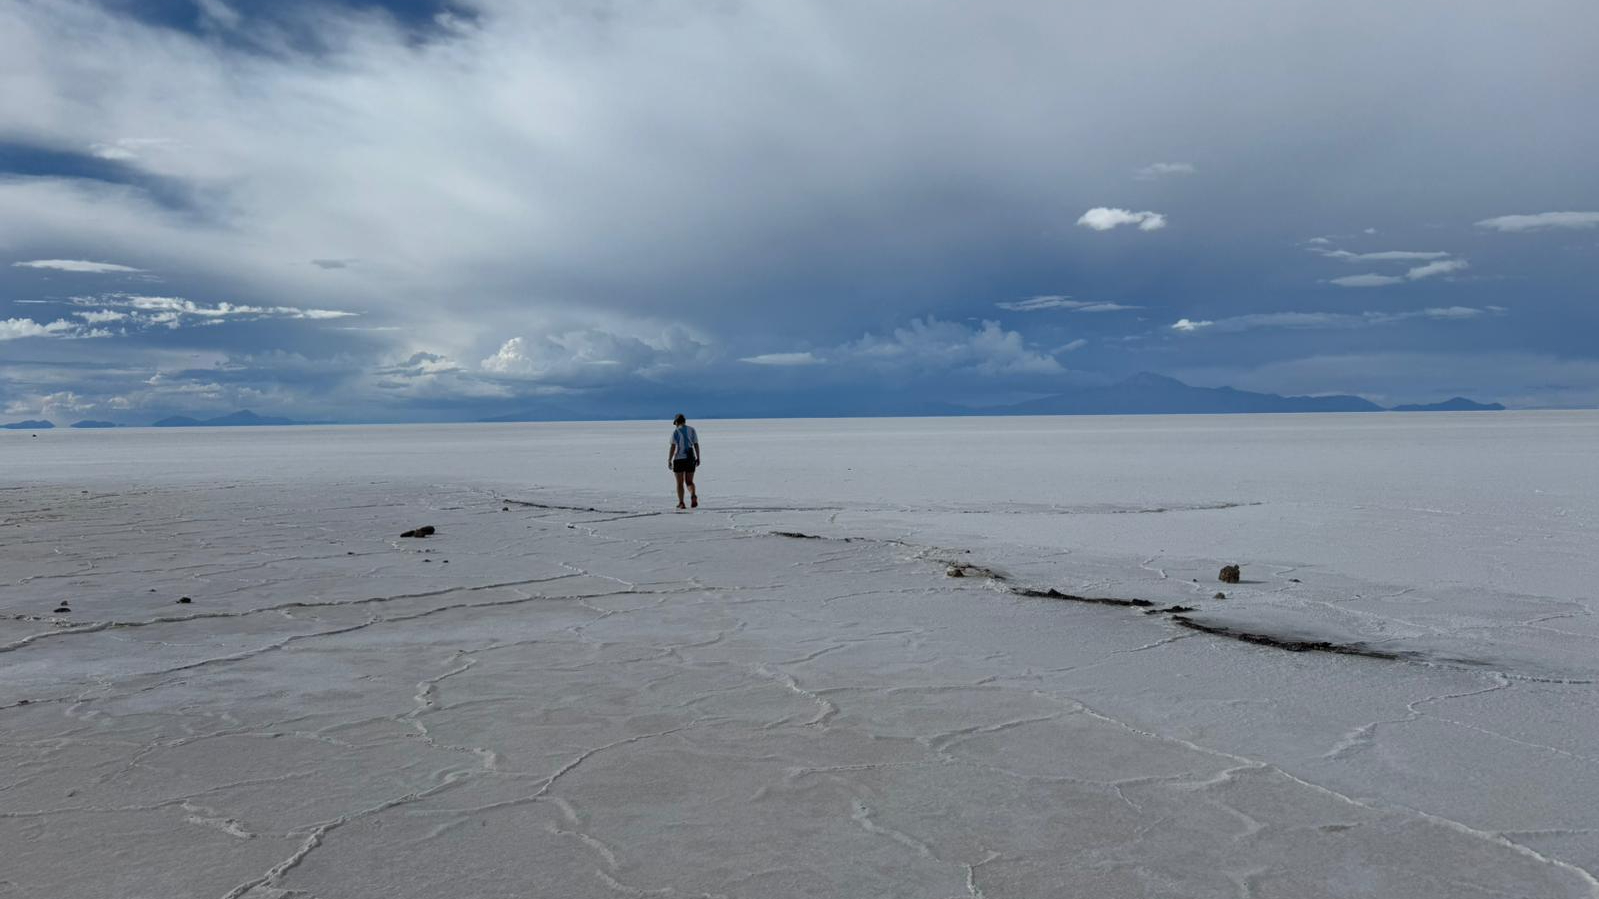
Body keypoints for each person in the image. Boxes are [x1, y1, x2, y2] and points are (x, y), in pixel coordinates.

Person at [667, 413, 700, 510]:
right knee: (689, 481)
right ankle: (693, 494)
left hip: (679, 459)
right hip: (690, 458)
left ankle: (681, 502)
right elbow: (696, 444)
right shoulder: (692, 430)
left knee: (679, 483)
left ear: (677, 422)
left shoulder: (676, 432)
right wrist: (698, 457)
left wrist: (669, 459)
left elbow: (673, 446)